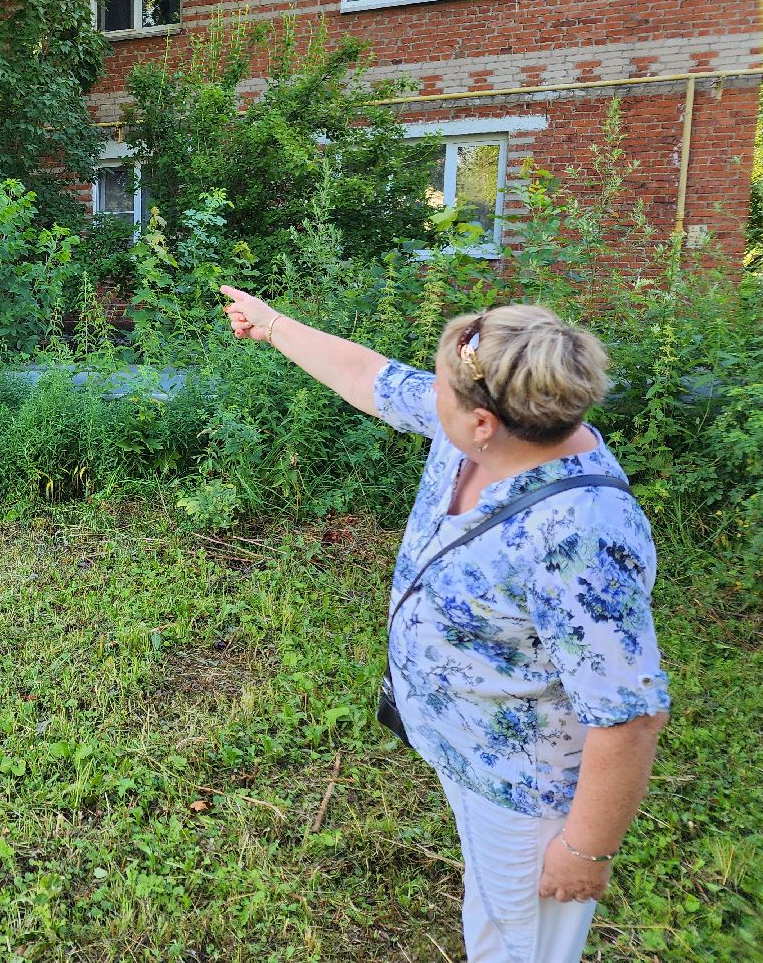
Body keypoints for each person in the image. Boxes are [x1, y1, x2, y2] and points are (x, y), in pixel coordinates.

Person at [218, 287, 671, 963]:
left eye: (440, 389)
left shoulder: (581, 536)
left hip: (525, 791)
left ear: (484, 421)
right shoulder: (484, 429)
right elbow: (366, 377)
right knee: (490, 909)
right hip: (468, 748)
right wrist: (275, 324)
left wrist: (585, 850)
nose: (430, 396)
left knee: (520, 947)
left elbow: (630, 718)